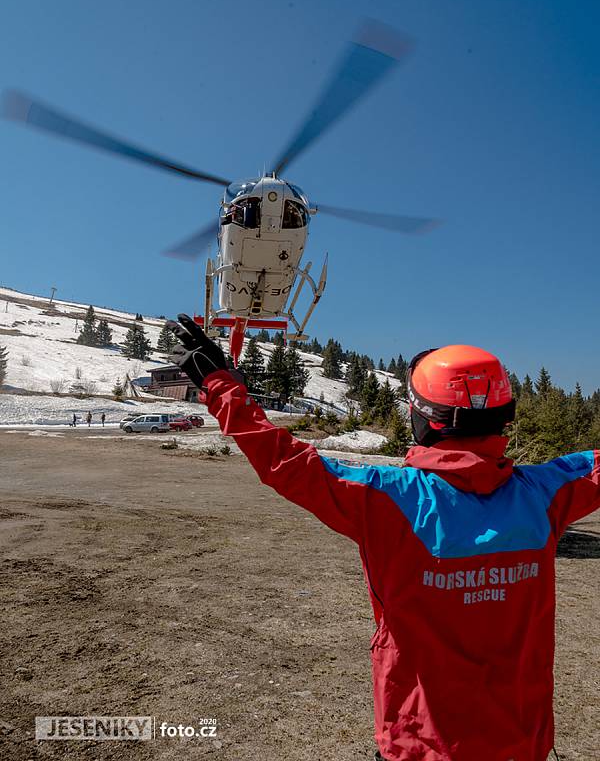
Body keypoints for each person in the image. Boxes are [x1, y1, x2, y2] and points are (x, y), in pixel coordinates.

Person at [167, 314, 600, 761]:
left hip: (420, 744)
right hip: (523, 743)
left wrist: (223, 387)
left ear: (424, 419)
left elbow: (287, 463)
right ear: (504, 418)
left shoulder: (386, 497)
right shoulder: (549, 492)